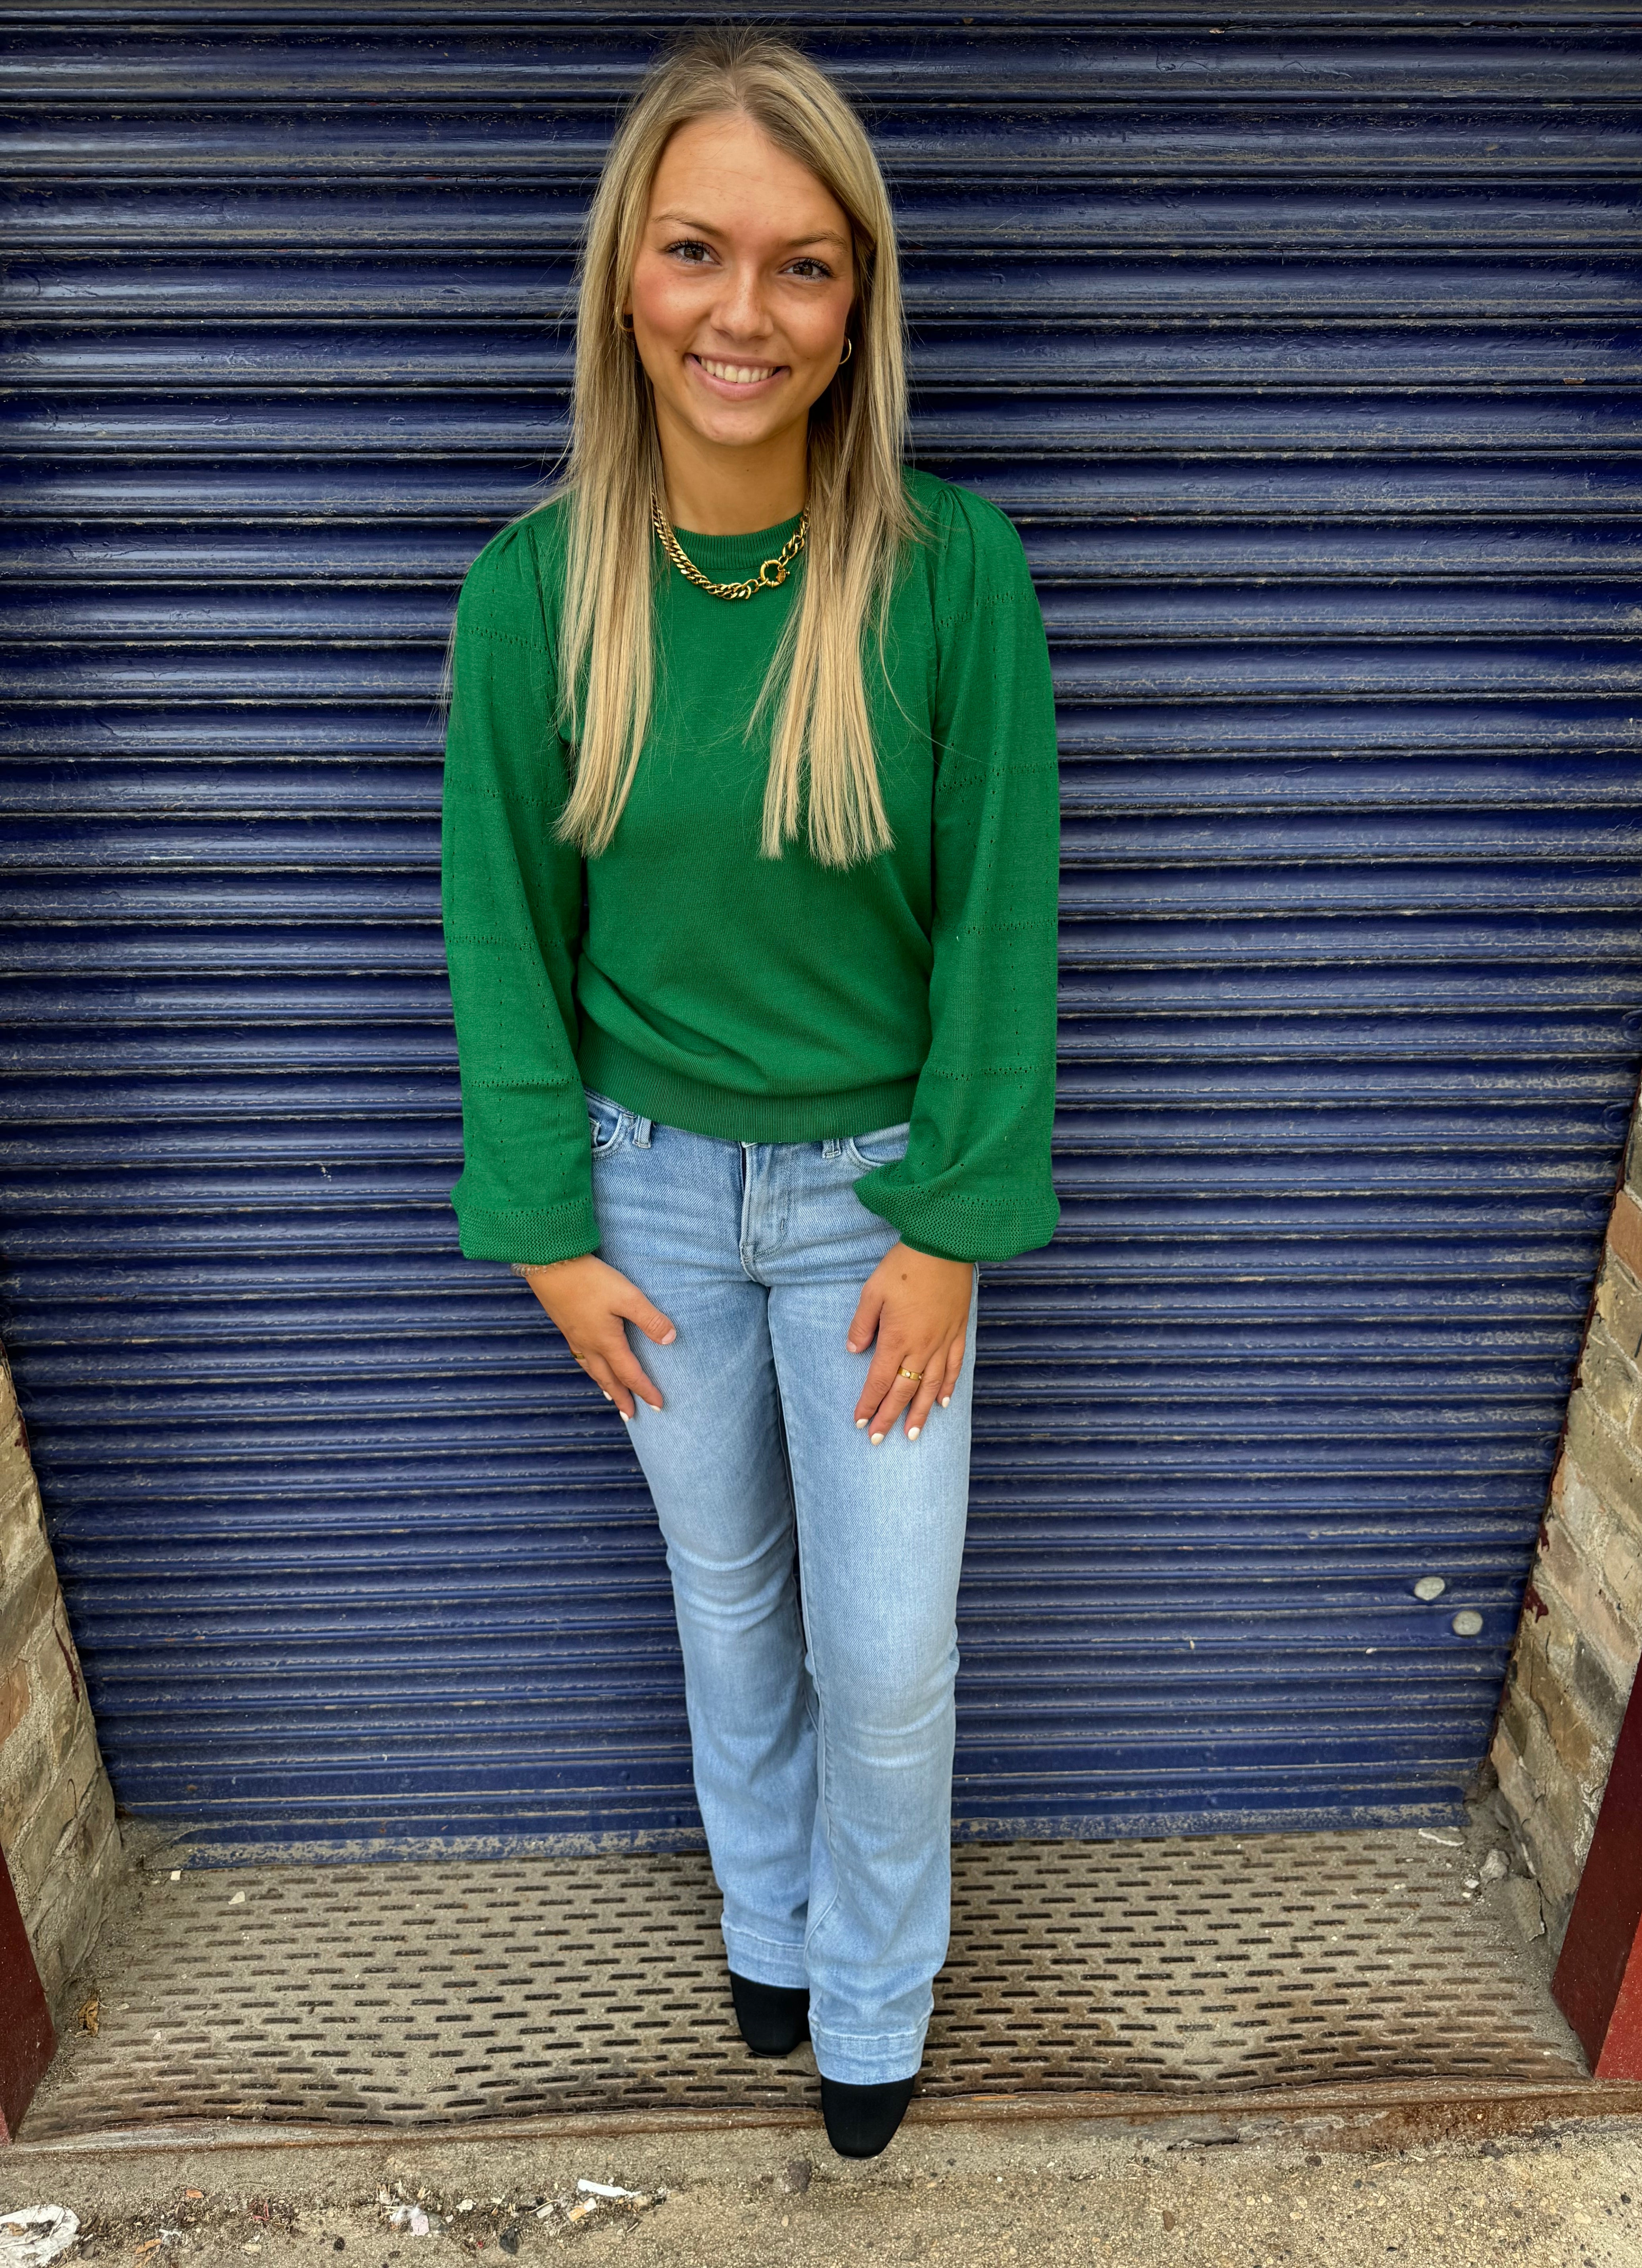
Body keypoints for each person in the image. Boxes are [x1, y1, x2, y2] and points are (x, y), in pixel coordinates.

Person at [440, 27, 1060, 2161]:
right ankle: (767, 1922)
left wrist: (960, 1225)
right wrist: (543, 1228)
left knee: (887, 1652)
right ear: (630, 277)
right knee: (727, 1608)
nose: (745, 312)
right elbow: (503, 934)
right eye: (699, 252)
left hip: (891, 1203)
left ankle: (874, 1990)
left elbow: (1000, 928)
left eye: (806, 267)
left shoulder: (952, 577)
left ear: (861, 302)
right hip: (652, 1200)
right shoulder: (535, 598)